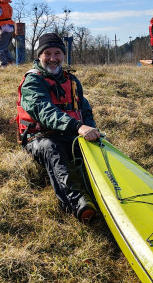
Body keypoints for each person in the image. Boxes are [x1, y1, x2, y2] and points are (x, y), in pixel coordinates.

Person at [16, 32, 101, 223]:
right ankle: (79, 202)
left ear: (63, 55)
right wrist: (77, 127)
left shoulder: (71, 80)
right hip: (39, 137)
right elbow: (44, 112)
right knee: (51, 148)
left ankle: (141, 190)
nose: (53, 59)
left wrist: (90, 129)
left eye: (57, 53)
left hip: (70, 133)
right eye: (47, 54)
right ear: (39, 56)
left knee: (100, 148)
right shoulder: (33, 82)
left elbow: (84, 109)